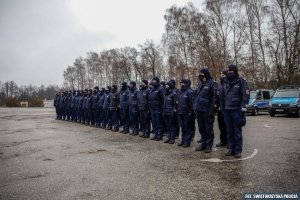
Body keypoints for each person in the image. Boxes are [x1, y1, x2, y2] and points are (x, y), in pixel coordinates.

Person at [221, 64, 249, 158]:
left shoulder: (241, 82)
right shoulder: (225, 82)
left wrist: (243, 109)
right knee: (229, 131)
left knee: (237, 131)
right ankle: (231, 149)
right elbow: (222, 97)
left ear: (235, 72)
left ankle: (238, 150)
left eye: (231, 72)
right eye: (228, 71)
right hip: (227, 110)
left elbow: (245, 97)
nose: (229, 73)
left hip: (236, 111)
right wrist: (222, 108)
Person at [194, 68, 218, 153]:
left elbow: (214, 98)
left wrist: (212, 110)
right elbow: (197, 96)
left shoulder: (212, 83)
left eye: (202, 74)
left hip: (207, 111)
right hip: (199, 110)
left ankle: (209, 145)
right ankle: (203, 144)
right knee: (201, 128)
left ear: (206, 74)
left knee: (208, 129)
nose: (200, 76)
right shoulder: (200, 83)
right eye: (200, 74)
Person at [177, 79, 194, 147]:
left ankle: (187, 141)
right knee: (183, 127)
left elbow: (191, 103)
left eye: (183, 83)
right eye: (181, 83)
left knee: (187, 128)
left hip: (187, 113)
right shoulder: (180, 92)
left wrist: (190, 112)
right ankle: (183, 140)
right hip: (180, 112)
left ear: (186, 84)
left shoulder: (189, 92)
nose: (181, 84)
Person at [216, 71, 228, 147]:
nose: (221, 76)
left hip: (226, 108)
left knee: (228, 126)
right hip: (220, 109)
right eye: (220, 75)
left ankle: (229, 141)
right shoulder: (219, 86)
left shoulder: (228, 85)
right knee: (221, 126)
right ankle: (223, 141)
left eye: (223, 75)